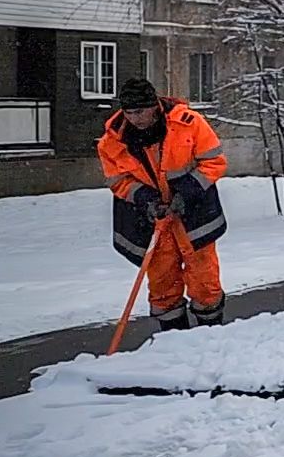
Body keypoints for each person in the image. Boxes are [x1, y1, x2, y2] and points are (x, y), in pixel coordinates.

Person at [98, 77, 228, 330]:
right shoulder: (111, 141)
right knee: (162, 284)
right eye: (129, 112)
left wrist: (186, 192)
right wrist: (145, 199)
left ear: (154, 106)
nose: (134, 118)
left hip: (194, 216)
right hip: (152, 222)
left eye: (140, 111)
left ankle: (212, 335)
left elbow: (214, 162)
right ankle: (173, 341)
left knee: (204, 280)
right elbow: (117, 181)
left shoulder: (188, 124)